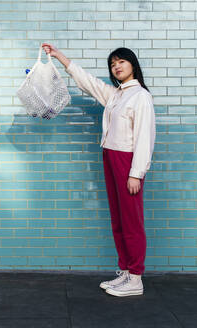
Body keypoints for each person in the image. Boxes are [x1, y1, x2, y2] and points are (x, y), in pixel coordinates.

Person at [42, 43, 156, 297]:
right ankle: (126, 271)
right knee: (118, 220)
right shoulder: (116, 95)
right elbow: (87, 81)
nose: (116, 66)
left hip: (127, 162)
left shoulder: (140, 96)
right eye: (113, 63)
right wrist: (59, 55)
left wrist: (136, 173)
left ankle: (136, 278)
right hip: (110, 157)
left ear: (132, 65)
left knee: (132, 222)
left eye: (121, 62)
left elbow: (145, 138)